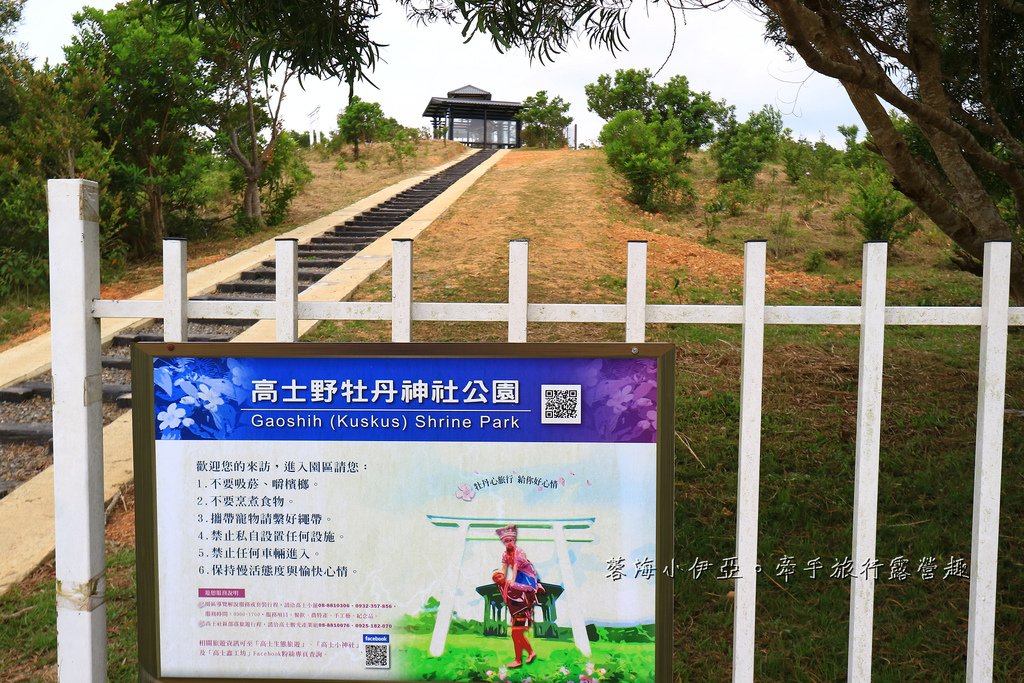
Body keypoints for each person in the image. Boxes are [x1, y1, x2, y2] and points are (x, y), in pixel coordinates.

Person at [492, 569, 537, 668]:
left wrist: (530, 602)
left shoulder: (512, 584)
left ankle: (519, 659)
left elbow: (529, 589)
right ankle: (529, 653)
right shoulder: (501, 587)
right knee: (516, 636)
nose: (497, 579)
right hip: (515, 614)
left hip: (521, 612)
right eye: (495, 578)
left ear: (504, 576)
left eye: (499, 576)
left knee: (516, 635)